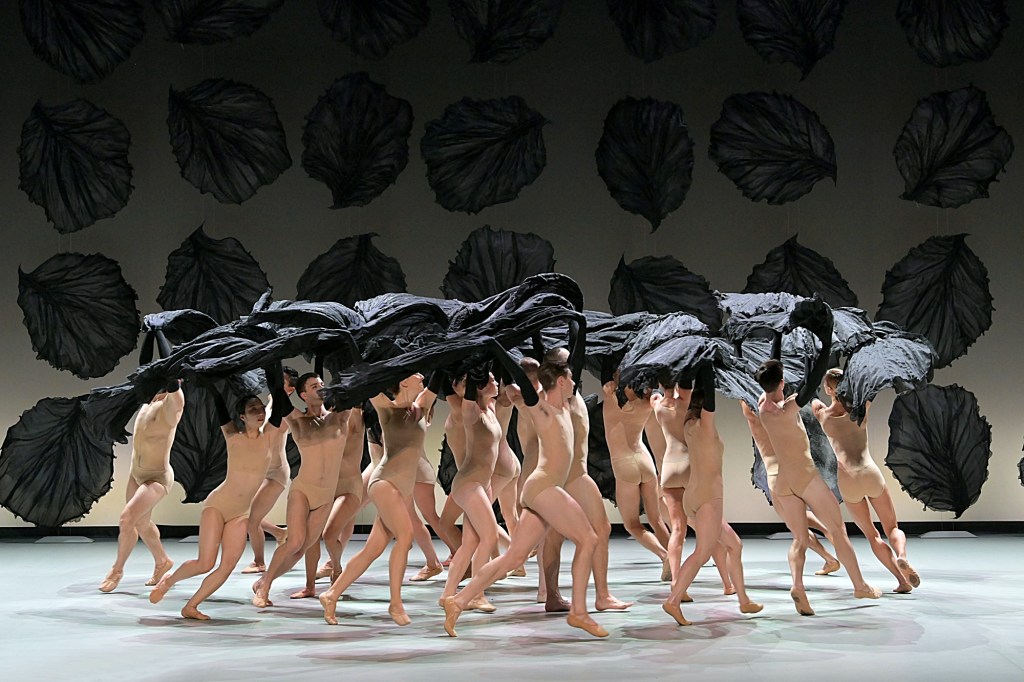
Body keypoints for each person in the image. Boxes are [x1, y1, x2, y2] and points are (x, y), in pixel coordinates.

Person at [442, 357, 607, 638]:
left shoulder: (566, 405)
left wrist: (576, 328)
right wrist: (495, 350)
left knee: (514, 556)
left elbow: (574, 362)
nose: (575, 383)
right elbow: (523, 378)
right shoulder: (540, 408)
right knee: (589, 538)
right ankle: (579, 613)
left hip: (541, 488)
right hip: (544, 487)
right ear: (561, 381)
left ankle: (457, 601)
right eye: (571, 379)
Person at [756, 349, 881, 615]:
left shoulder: (762, 405)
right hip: (804, 476)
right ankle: (860, 585)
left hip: (782, 481)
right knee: (838, 530)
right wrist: (824, 345)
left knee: (800, 539)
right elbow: (811, 382)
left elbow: (774, 371)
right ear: (782, 382)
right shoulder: (789, 408)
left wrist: (777, 341)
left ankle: (798, 586)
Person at [150, 382, 287, 618]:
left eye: (260, 407)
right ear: (242, 417)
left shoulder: (270, 436)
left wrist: (274, 373)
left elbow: (281, 401)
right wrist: (212, 383)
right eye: (252, 409)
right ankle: (169, 580)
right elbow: (220, 405)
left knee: (227, 566)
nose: (259, 411)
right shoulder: (233, 436)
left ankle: (191, 607)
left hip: (240, 513)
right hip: (218, 506)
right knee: (205, 563)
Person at [319, 373, 437, 626]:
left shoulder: (422, 404)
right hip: (385, 483)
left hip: (402, 487)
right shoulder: (386, 408)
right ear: (403, 382)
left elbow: (440, 376)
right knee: (405, 537)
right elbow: (367, 381)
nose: (421, 375)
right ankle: (395, 603)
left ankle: (331, 594)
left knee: (372, 549)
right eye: (415, 374)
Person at [659, 365, 763, 625]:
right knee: (702, 552)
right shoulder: (705, 425)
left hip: (694, 494)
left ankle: (743, 599)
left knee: (734, 545)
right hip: (709, 495)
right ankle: (673, 600)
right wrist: (708, 366)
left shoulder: (688, 425)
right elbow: (710, 402)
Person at [813, 369, 917, 592]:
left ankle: (902, 581)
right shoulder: (861, 408)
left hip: (847, 478)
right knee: (892, 527)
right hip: (869, 471)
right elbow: (871, 386)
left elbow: (812, 400)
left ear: (829, 389)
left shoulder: (822, 415)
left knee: (872, 534)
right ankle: (902, 555)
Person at [252, 372, 350, 608]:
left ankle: (263, 581)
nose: (320, 388)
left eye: (322, 384)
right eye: (314, 386)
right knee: (294, 541)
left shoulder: (339, 416)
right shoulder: (297, 419)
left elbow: (355, 386)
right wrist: (273, 361)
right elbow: (278, 392)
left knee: (301, 549)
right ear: (303, 395)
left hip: (325, 495)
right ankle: (264, 588)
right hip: (303, 490)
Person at [99, 379, 183, 593]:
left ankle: (117, 570)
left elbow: (174, 388)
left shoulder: (172, 406)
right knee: (141, 523)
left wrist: (172, 377)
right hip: (136, 474)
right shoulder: (148, 401)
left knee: (127, 519)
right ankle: (162, 561)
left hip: (157, 478)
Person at [740, 400, 841, 576]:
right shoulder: (782, 410)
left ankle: (822, 561)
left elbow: (748, 407)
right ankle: (828, 541)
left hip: (777, 474)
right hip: (796, 468)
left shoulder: (757, 415)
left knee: (795, 526)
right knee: (798, 516)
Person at [653, 385, 735, 595]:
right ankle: (727, 584)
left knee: (677, 530)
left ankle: (676, 582)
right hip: (689, 466)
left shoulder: (657, 405)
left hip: (669, 468)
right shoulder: (686, 404)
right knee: (710, 531)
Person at [439, 370, 504, 611]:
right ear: (478, 386)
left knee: (470, 543)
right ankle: (475, 595)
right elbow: (458, 390)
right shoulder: (470, 411)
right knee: (490, 537)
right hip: (468, 483)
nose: (496, 382)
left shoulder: (491, 408)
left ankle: (447, 594)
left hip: (483, 484)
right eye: (491, 380)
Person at [290, 406, 366, 597]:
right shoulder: (326, 418)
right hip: (327, 486)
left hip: (349, 488)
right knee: (311, 538)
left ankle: (337, 568)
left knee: (330, 534)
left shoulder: (354, 415)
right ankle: (309, 586)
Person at [602, 373, 671, 579]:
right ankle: (675, 561)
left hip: (625, 465)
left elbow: (608, 382)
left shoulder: (612, 400)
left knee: (632, 524)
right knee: (656, 519)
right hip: (644, 460)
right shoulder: (646, 402)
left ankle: (664, 556)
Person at [241, 366, 298, 574]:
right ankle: (280, 533)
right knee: (245, 515)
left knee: (251, 521)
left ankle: (259, 562)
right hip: (262, 473)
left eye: (281, 381)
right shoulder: (267, 406)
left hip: (275, 473)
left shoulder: (284, 412)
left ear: (290, 389)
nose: (275, 383)